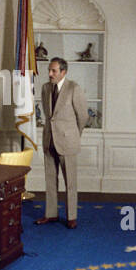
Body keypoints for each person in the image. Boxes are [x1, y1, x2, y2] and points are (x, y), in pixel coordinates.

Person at [34, 57, 88, 229]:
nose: (50, 74)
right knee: (50, 181)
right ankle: (51, 214)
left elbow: (83, 116)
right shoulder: (45, 88)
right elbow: (49, 116)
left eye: (54, 71)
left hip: (68, 142)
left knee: (70, 182)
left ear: (63, 72)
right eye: (49, 70)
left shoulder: (74, 88)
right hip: (49, 140)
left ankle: (71, 216)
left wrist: (74, 135)